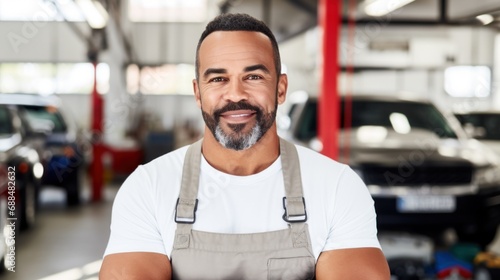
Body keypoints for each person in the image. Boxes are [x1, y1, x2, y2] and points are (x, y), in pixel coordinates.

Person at [100, 13, 390, 280]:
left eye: (253, 76)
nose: (236, 93)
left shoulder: (338, 187)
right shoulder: (148, 188)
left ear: (281, 88)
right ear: (197, 93)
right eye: (218, 78)